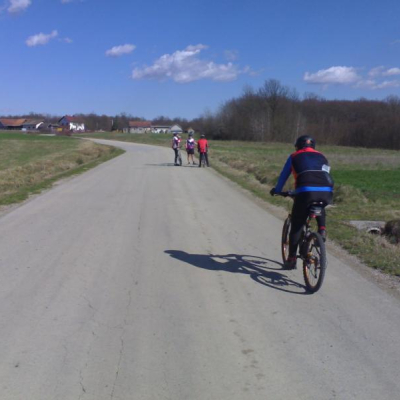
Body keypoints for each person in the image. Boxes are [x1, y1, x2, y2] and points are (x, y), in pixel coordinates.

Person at [270, 135, 334, 269]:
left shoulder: (294, 156)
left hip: (305, 192)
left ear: (298, 146)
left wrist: (277, 190)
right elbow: (325, 174)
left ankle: (291, 258)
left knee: (296, 226)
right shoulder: (322, 156)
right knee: (319, 203)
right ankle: (322, 230)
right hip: (327, 191)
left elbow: (283, 175)